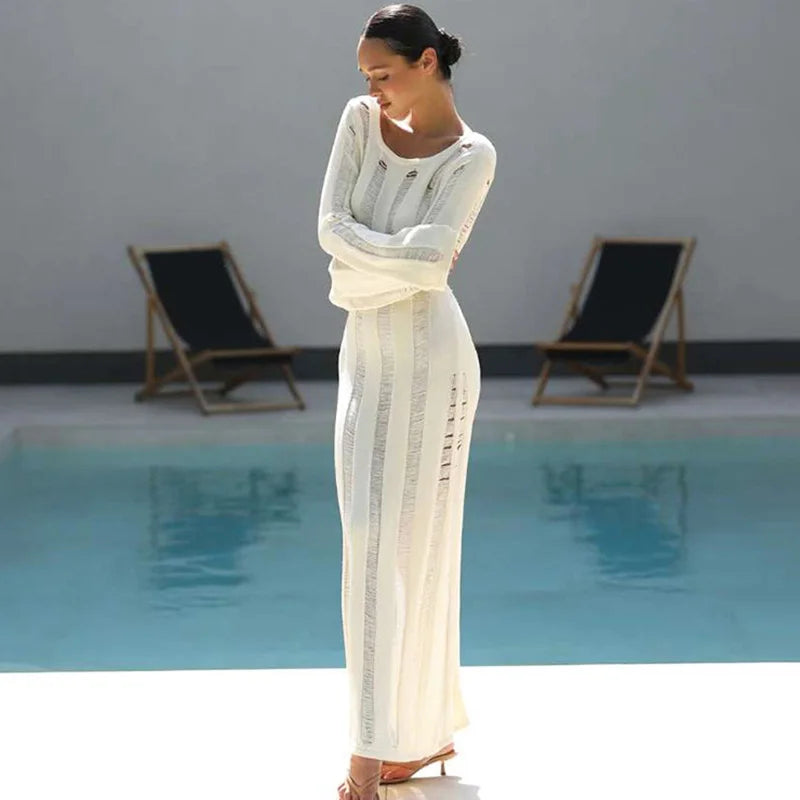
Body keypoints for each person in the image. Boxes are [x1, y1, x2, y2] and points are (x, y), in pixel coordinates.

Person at [316, 5, 497, 798]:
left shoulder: (473, 155)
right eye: (365, 75)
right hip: (367, 361)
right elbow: (329, 227)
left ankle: (397, 746)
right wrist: (387, 260)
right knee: (366, 546)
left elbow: (430, 271)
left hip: (434, 368)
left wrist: (365, 266)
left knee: (420, 557)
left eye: (383, 72)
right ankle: (376, 737)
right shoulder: (358, 122)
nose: (372, 88)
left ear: (427, 62)